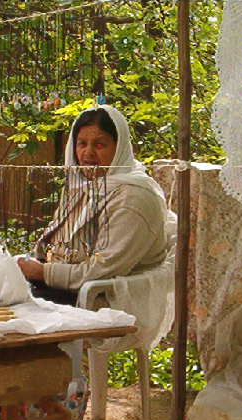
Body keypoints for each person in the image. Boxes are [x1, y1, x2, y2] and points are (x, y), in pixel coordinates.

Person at [18, 104, 168, 305]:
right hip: (63, 286)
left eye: (99, 145)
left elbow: (104, 270)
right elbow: (57, 242)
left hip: (101, 299)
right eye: (81, 144)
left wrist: (43, 272)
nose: (87, 153)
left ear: (119, 148)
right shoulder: (85, 186)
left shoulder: (133, 197)